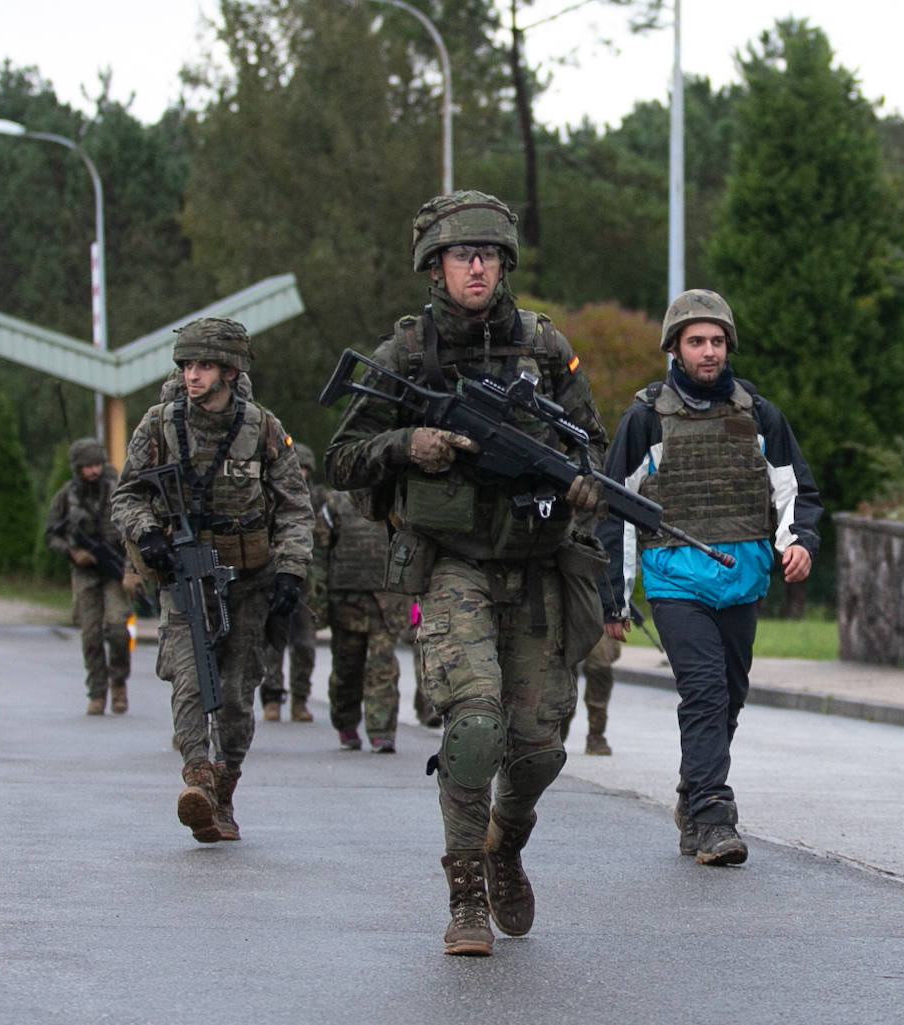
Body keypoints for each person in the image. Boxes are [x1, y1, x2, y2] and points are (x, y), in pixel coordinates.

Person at [325, 190, 610, 956]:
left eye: (488, 253)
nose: (477, 265)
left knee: (543, 748)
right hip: (453, 566)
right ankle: (464, 897)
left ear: (505, 263)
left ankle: (504, 845)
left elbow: (592, 448)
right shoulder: (407, 355)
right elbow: (341, 457)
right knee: (475, 724)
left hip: (540, 569)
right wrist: (407, 443)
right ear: (435, 266)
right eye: (461, 254)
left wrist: (585, 486)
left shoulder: (546, 350)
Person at [597, 288, 822, 867]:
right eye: (697, 341)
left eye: (717, 341)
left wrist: (797, 543)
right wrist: (615, 599)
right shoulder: (645, 417)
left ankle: (692, 795)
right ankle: (716, 815)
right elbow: (614, 509)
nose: (709, 351)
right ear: (675, 347)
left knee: (730, 698)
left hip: (743, 583)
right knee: (703, 689)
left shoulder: (760, 415)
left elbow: (795, 491)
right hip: (676, 584)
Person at [112, 317, 313, 844]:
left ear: (229, 371)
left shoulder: (263, 429)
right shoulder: (158, 426)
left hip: (248, 580)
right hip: (183, 572)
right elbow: (127, 495)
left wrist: (292, 569)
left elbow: (294, 507)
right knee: (189, 675)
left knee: (234, 689)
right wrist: (147, 533)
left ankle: (224, 789)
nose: (192, 376)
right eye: (186, 366)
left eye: (203, 366)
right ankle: (197, 778)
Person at [310, 488, 411, 753]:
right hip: (347, 600)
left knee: (383, 666)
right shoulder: (336, 503)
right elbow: (319, 552)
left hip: (386, 599)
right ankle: (346, 724)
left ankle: (382, 732)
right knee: (347, 666)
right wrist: (317, 601)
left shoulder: (396, 497)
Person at [45, 438, 134, 716]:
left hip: (115, 570)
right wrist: (72, 552)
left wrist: (132, 570)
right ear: (77, 468)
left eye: (97, 464)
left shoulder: (117, 490)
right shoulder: (66, 496)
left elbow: (134, 530)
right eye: (87, 466)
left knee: (119, 628)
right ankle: (97, 692)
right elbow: (50, 535)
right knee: (91, 633)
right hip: (85, 573)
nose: (94, 471)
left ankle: (118, 682)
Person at [259, 441, 322, 723]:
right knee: (274, 641)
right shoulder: (273, 499)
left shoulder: (321, 502)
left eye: (305, 469)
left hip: (308, 585)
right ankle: (272, 697)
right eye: (298, 468)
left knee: (306, 645)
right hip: (277, 576)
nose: (301, 474)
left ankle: (300, 698)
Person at [561, 634, 621, 754]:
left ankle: (596, 734)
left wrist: (619, 616)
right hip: (565, 618)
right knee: (562, 666)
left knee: (600, 665)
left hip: (603, 619)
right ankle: (556, 730)